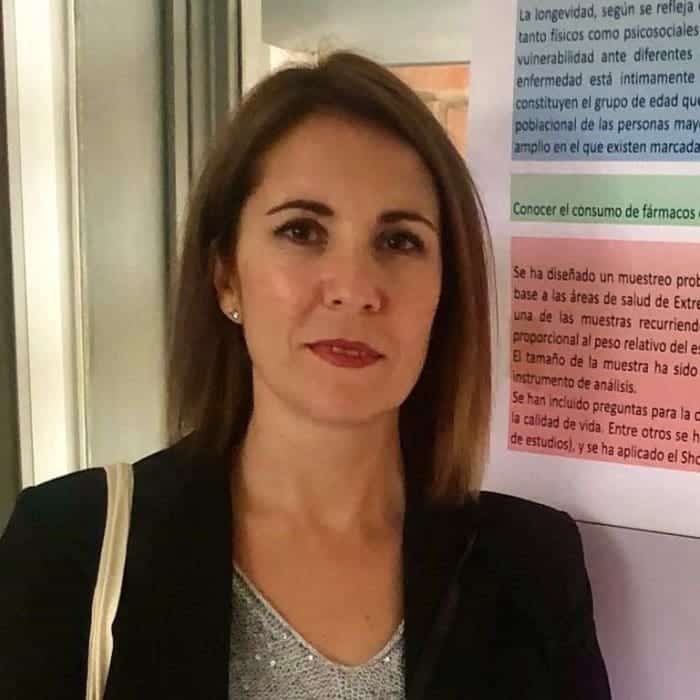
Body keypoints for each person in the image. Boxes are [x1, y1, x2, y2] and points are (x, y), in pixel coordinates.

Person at [0, 51, 610, 699]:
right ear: (226, 275)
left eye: (399, 241)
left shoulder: (531, 568)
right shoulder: (69, 546)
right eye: (302, 230)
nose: (354, 288)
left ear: (445, 289)